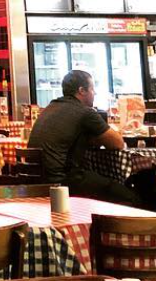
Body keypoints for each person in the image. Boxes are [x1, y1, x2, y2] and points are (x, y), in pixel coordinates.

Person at [27, 69, 140, 205]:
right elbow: (118, 143)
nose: (95, 93)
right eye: (92, 89)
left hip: (37, 181)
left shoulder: (51, 107)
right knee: (131, 197)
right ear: (82, 90)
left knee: (99, 179)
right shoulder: (85, 112)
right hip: (64, 181)